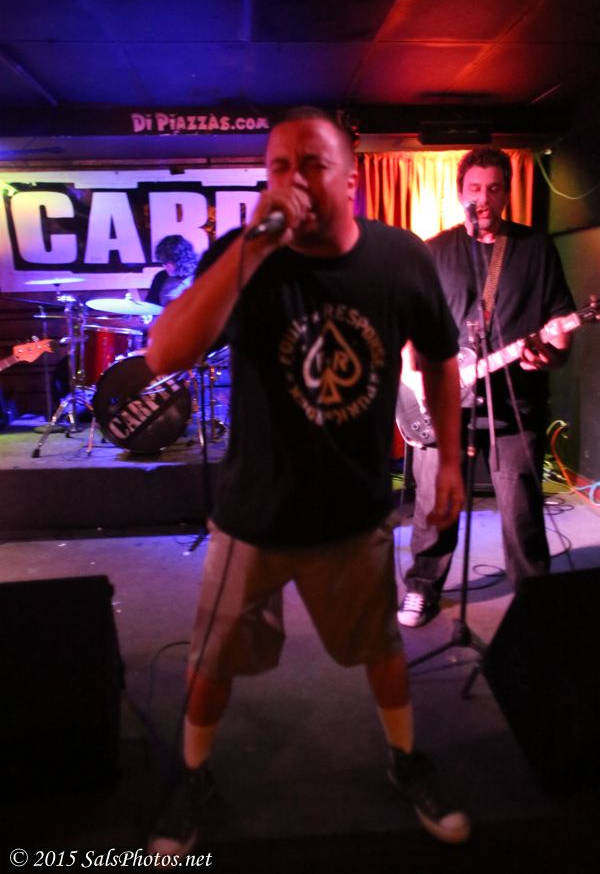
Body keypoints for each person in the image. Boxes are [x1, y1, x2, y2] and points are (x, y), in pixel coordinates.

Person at [145, 106, 469, 860]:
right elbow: (163, 355)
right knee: (211, 661)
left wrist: (451, 458)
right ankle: (193, 775)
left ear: (350, 180)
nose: (294, 181)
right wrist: (251, 249)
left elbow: (442, 356)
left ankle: (405, 758)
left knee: (382, 648)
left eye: (313, 165)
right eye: (280, 167)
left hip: (353, 513)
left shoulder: (400, 259)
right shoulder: (244, 255)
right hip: (253, 517)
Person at [397, 147, 576, 628]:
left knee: (521, 505)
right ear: (460, 193)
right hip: (441, 400)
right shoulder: (434, 251)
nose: (483, 198)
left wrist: (551, 353)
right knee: (435, 501)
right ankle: (422, 587)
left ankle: (533, 596)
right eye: (475, 189)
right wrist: (412, 375)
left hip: (514, 398)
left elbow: (560, 328)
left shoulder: (535, 249)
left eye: (494, 189)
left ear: (506, 193)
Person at [146, 235, 198, 308]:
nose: (164, 267)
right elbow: (150, 305)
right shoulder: (160, 277)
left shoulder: (201, 277)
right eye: (163, 262)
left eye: (167, 263)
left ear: (181, 260)